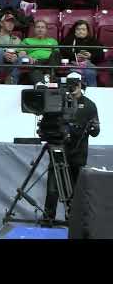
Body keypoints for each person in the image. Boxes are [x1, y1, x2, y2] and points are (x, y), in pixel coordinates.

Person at [43, 72, 100, 221]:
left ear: (81, 84)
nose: (73, 87)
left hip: (78, 154)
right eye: (70, 83)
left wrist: (91, 127)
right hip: (58, 151)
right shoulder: (58, 102)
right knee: (52, 189)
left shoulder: (89, 105)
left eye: (75, 83)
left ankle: (73, 221)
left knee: (75, 189)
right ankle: (48, 219)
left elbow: (96, 132)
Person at [59, 20, 104, 87]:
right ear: (74, 30)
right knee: (73, 74)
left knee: (90, 72)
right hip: (72, 64)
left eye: (83, 29)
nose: (81, 31)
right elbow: (62, 52)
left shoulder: (93, 41)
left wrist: (90, 56)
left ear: (87, 31)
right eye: (78, 29)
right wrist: (75, 57)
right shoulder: (67, 40)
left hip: (88, 65)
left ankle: (92, 92)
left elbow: (101, 56)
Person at [18, 20, 60, 85]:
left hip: (50, 62)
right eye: (38, 27)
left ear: (46, 30)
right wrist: (28, 57)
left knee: (55, 54)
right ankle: (42, 83)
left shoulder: (53, 41)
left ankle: (48, 76)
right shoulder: (27, 40)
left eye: (43, 27)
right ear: (34, 29)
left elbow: (57, 55)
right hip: (35, 62)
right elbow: (21, 53)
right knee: (35, 69)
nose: (40, 29)